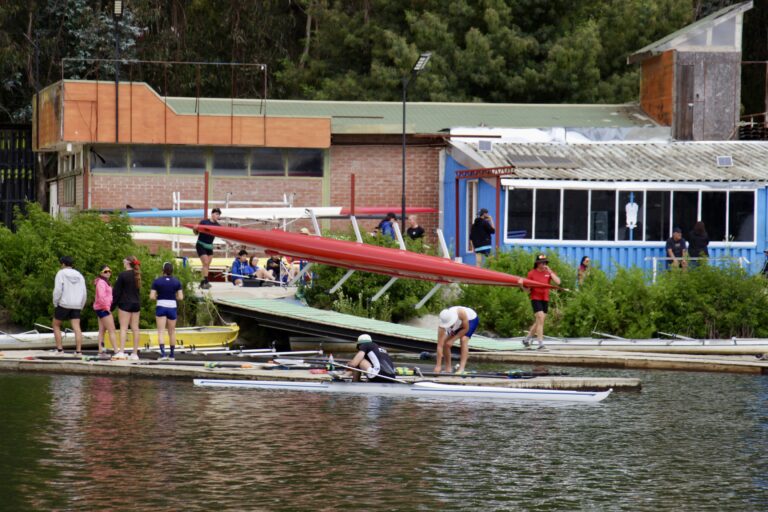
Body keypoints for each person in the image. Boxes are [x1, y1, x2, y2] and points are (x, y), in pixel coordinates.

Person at [524, 254, 561, 349]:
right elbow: (527, 290)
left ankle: (527, 339)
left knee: (539, 322)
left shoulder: (548, 272)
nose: (543, 264)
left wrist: (550, 271)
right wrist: (521, 286)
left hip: (545, 299)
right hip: (535, 298)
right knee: (540, 318)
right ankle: (540, 343)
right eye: (541, 262)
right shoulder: (531, 273)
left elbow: (558, 282)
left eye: (544, 262)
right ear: (537, 263)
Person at [52, 256, 87, 355]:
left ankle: (60, 350)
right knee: (77, 327)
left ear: (63, 264)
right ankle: (78, 351)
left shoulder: (61, 273)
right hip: (77, 304)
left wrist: (55, 302)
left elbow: (58, 290)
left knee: (56, 325)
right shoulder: (79, 275)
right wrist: (82, 305)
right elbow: (84, 292)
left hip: (64, 303)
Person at [150, 262, 183, 361]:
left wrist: (158, 297)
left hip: (161, 306)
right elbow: (181, 297)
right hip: (172, 307)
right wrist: (174, 297)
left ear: (162, 270)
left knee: (161, 332)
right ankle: (172, 355)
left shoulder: (157, 281)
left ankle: (163, 354)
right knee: (171, 332)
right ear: (172, 271)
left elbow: (151, 296)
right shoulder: (177, 282)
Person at [112, 256, 142, 360]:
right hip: (136, 303)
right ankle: (135, 353)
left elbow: (116, 292)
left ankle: (121, 351)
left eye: (124, 261)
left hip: (125, 303)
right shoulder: (137, 274)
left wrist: (112, 306)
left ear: (128, 263)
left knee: (123, 328)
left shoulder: (122, 275)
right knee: (135, 328)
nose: (123, 263)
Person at [435, 306, 479, 374]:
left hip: (471, 320)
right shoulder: (441, 327)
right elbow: (439, 345)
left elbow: (465, 329)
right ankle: (448, 369)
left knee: (463, 339)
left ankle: (461, 368)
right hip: (459, 325)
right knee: (446, 344)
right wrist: (438, 365)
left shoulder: (461, 312)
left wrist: (453, 340)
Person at [194, 207, 222, 289]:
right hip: (201, 244)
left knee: (207, 265)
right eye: (216, 214)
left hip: (209, 246)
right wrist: (195, 229)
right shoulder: (204, 222)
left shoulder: (218, 226)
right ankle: (206, 281)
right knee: (205, 262)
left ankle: (202, 282)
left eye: (219, 214)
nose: (217, 216)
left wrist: (229, 243)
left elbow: (222, 236)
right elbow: (196, 233)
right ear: (212, 214)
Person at [93, 265, 118, 356]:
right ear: (101, 273)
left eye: (109, 271)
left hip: (100, 308)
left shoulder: (104, 282)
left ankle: (101, 351)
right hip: (103, 308)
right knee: (112, 330)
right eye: (105, 271)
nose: (108, 273)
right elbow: (101, 297)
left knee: (102, 330)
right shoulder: (101, 283)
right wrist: (107, 308)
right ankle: (116, 351)